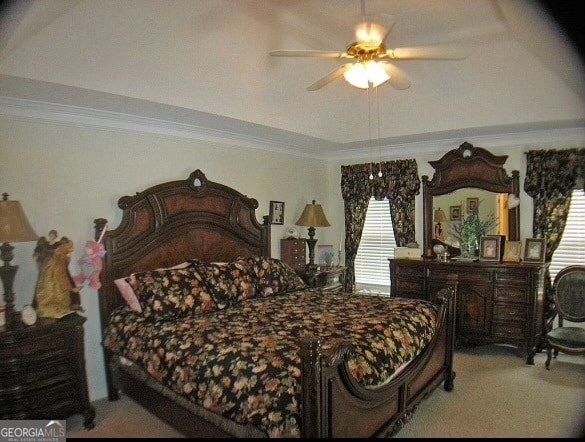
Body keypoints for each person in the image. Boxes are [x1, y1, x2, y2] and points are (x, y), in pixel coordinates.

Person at [35, 238, 83, 318]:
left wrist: (71, 289)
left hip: (59, 297)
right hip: (49, 294)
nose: (69, 256)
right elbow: (63, 280)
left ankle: (56, 308)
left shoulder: (59, 264)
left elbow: (65, 280)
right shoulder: (54, 264)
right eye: (68, 253)